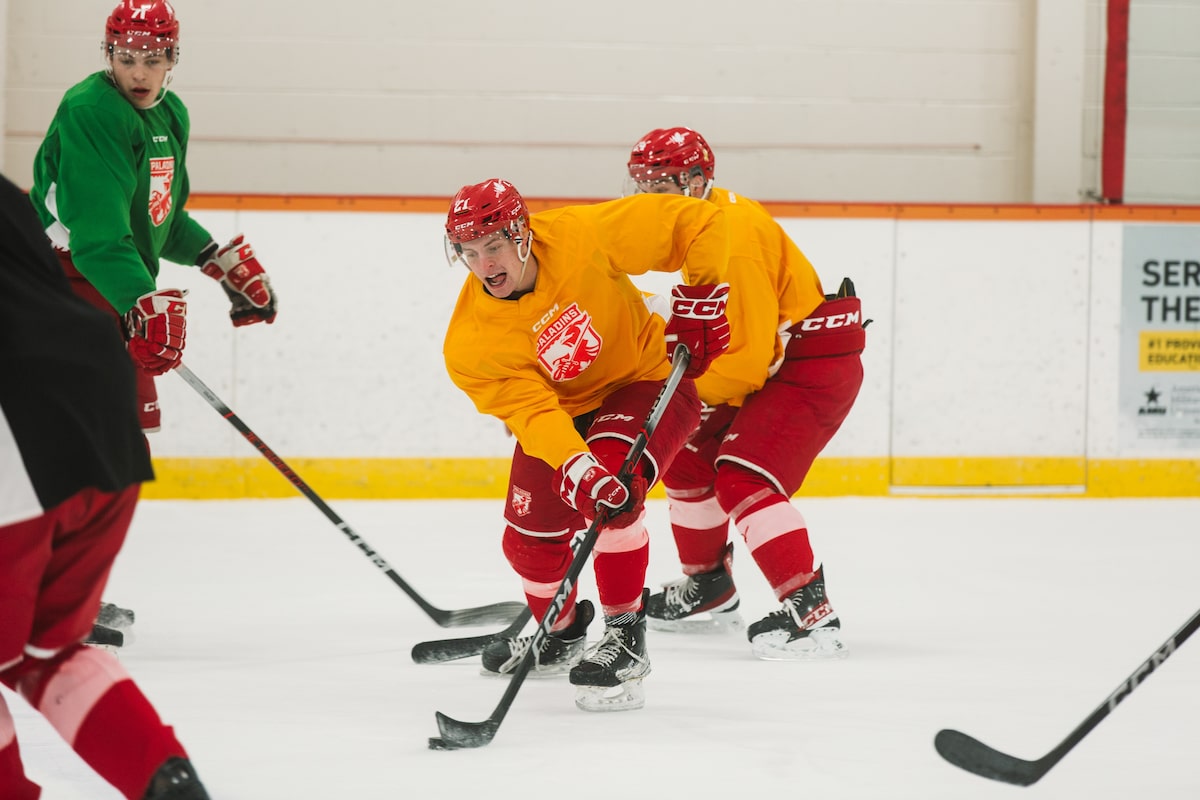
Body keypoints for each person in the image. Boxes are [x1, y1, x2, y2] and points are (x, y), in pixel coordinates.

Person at [28, 0, 278, 647]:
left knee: (114, 447)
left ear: (173, 59)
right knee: (77, 444)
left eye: (153, 58)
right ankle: (40, 594)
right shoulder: (91, 111)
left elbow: (156, 219)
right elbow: (97, 235)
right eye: (127, 58)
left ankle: (63, 588)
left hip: (111, 281)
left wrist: (213, 258)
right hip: (61, 285)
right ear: (109, 56)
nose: (139, 72)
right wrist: (143, 301)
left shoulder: (170, 114)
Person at [442, 178, 732, 710]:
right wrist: (577, 465)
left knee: (616, 493)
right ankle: (562, 633)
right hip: (563, 415)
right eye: (470, 251)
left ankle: (626, 639)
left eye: (494, 245)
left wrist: (702, 298)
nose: (484, 264)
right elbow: (533, 413)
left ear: (522, 234)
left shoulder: (581, 233)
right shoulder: (470, 343)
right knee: (528, 544)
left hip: (644, 380)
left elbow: (699, 223)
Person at [0, 171, 210, 800]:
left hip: (13, 434)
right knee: (49, 652)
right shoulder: (7, 194)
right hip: (101, 403)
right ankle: (167, 782)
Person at [626, 127, 867, 660]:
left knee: (742, 476)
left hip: (809, 365)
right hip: (779, 362)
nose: (646, 201)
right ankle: (708, 586)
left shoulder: (732, 237)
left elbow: (744, 359)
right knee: (688, 456)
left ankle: (811, 612)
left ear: (695, 182)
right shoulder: (703, 222)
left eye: (658, 188)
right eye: (640, 187)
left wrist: (668, 393)